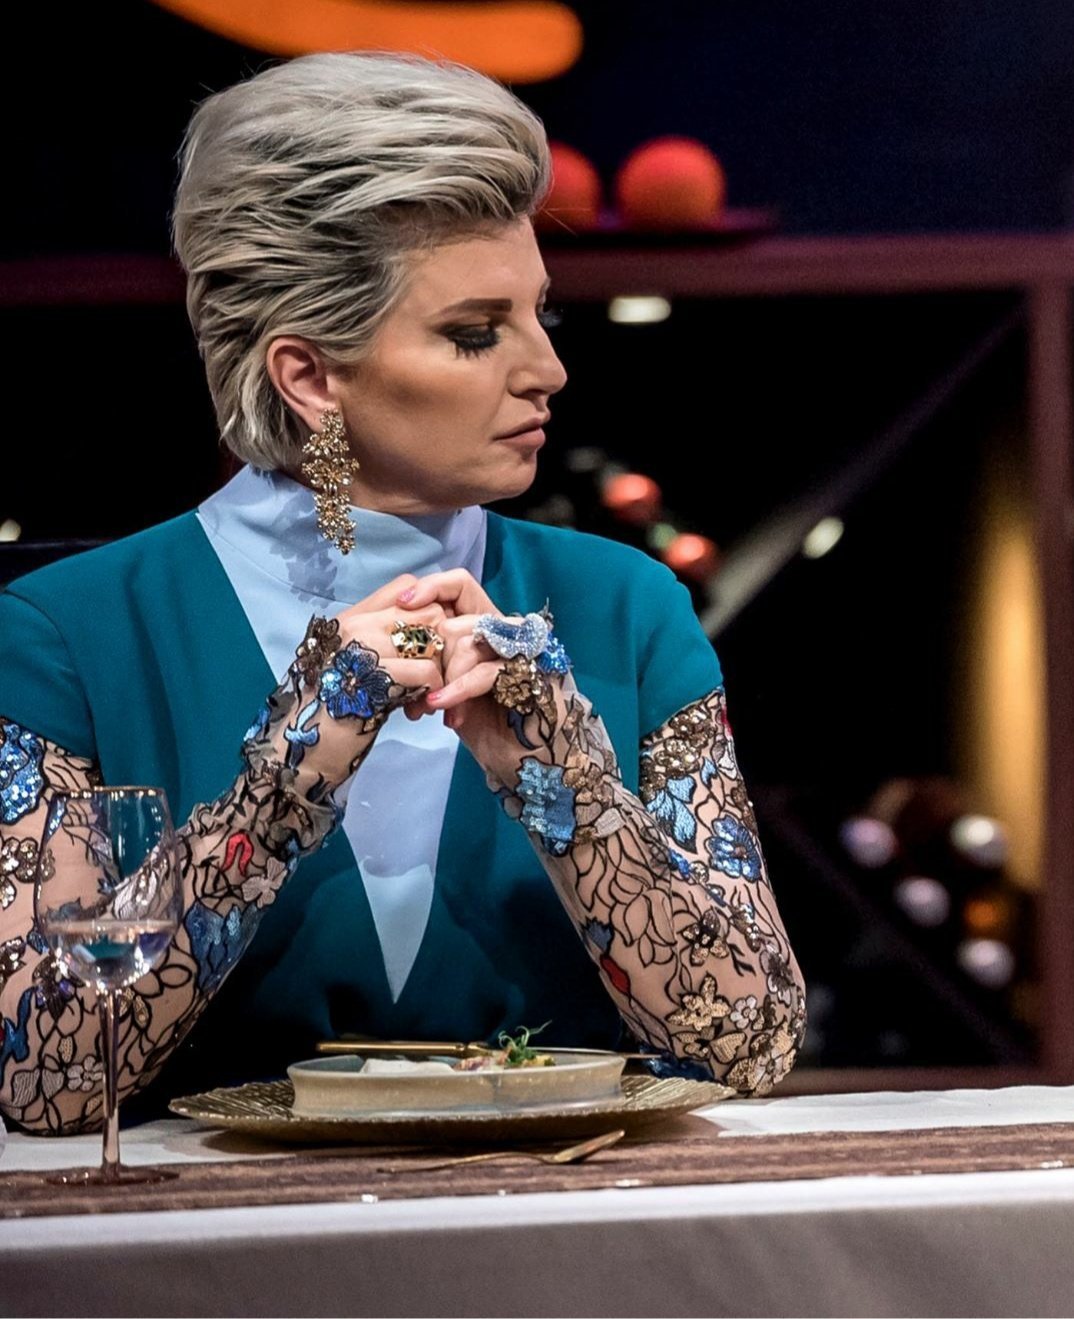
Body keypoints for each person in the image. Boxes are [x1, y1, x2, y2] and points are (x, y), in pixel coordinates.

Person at [0, 52, 804, 1134]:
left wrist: (568, 783)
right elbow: (43, 1078)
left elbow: (753, 1042)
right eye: (475, 332)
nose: (547, 370)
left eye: (540, 316)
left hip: (574, 1227)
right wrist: (290, 773)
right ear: (310, 375)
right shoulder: (63, 636)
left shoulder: (627, 609)